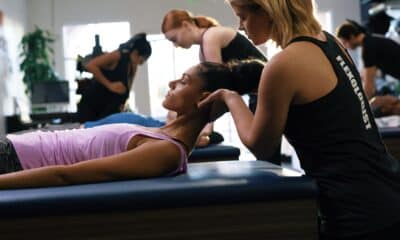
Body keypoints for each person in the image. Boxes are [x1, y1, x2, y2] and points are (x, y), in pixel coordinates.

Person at [199, 0, 400, 239]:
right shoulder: (330, 42)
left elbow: (261, 145)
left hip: (356, 211)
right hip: (388, 189)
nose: (240, 27)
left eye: (242, 17)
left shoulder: (283, 64)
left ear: (268, 11)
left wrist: (230, 98)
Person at [0, 59, 264, 189]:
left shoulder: (167, 150)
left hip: (14, 160)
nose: (172, 84)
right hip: (17, 145)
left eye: (184, 81)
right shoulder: (161, 133)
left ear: (202, 98)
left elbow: (66, 174)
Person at [162, 9, 267, 112]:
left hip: (267, 86)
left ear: (186, 25)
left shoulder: (211, 36)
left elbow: (216, 85)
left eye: (174, 39)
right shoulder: (204, 48)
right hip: (257, 91)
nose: (175, 45)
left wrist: (206, 124)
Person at [77, 33, 152, 123]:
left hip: (109, 110)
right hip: (92, 107)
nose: (141, 63)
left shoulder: (134, 65)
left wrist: (123, 103)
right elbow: (91, 65)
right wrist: (110, 85)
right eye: (141, 60)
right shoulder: (118, 55)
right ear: (135, 53)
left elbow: (128, 88)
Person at [83, 111, 225, 147]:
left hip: (89, 135)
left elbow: (204, 138)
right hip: (88, 130)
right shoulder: (160, 124)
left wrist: (206, 135)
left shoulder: (182, 135)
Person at [336, 20, 400, 99]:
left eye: (345, 42)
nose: (345, 47)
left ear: (352, 37)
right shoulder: (370, 41)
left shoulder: (368, 48)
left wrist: (363, 105)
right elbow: (365, 74)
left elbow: (369, 87)